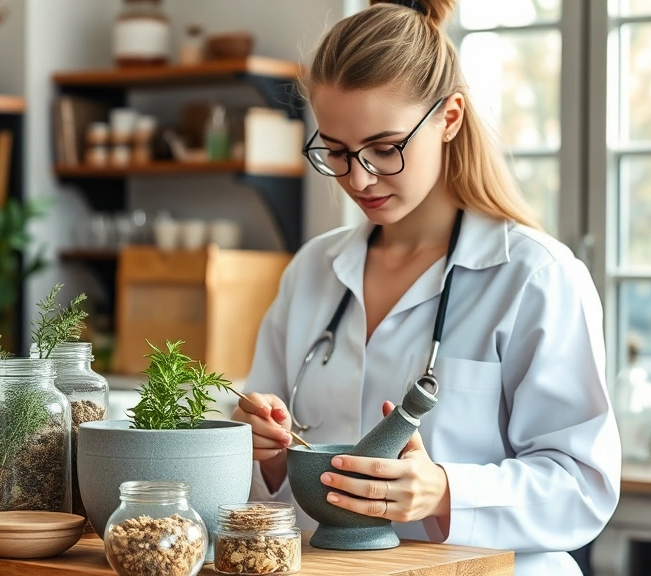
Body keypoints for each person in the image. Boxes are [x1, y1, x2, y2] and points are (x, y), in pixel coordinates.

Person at [231, 0, 621, 574]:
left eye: (385, 148)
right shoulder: (312, 271)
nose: (358, 178)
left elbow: (583, 484)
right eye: (335, 152)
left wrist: (442, 491)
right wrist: (260, 450)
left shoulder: (535, 276)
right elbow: (263, 475)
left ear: (451, 118)